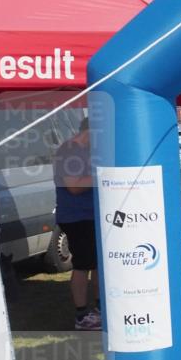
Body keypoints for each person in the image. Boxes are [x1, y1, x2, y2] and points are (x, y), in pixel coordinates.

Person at [53, 117, 101, 330]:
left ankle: (100, 309)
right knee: (82, 264)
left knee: (98, 264)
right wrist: (104, 176)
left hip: (90, 215)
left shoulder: (85, 151)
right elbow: (73, 186)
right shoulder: (70, 151)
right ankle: (82, 316)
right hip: (76, 217)